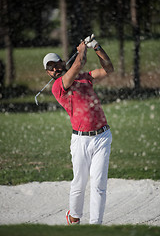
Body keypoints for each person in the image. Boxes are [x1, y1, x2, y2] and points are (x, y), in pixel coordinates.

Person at [43, 35, 114, 225]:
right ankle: (74, 217)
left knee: (99, 185)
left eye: (57, 64)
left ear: (62, 62)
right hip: (81, 140)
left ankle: (95, 226)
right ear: (48, 73)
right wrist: (82, 49)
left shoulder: (84, 78)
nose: (56, 68)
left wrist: (97, 47)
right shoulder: (58, 86)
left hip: (102, 137)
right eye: (51, 68)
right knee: (79, 183)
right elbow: (77, 65)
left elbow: (109, 69)